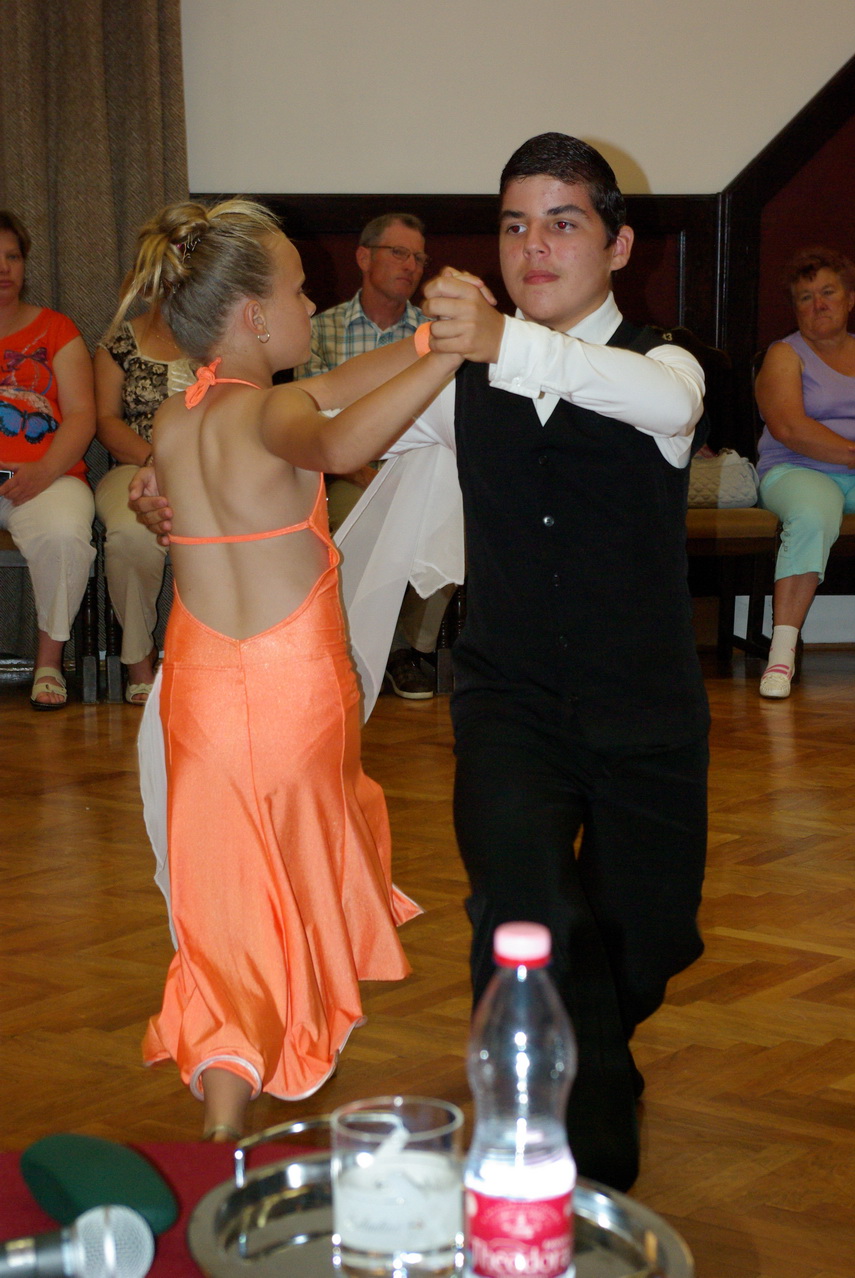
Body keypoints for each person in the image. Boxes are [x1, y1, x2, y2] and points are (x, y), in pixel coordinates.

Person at [131, 134, 709, 1189]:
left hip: (646, 711)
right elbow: (326, 425)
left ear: (620, 245)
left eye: (563, 223)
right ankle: (569, 1162)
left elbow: (667, 408)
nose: (534, 247)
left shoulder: (663, 364)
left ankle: (592, 1049)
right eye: (514, 225)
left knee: (646, 940)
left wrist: (494, 343)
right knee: (524, 911)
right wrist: (179, 480)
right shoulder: (460, 383)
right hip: (509, 705)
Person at [118, 198, 463, 1140]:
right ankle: (289, 1036)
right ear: (254, 317)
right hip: (290, 691)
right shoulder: (277, 411)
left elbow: (340, 382)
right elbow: (341, 438)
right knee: (299, 876)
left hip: (198, 689)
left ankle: (225, 1103)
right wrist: (444, 360)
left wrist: (430, 336)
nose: (314, 303)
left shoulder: (178, 419)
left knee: (229, 895)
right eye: (301, 291)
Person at [294, 213, 451, 700]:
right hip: (342, 472)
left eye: (419, 257)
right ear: (364, 257)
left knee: (450, 527)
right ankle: (349, 649)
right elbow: (315, 419)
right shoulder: (319, 331)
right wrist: (362, 472)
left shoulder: (436, 334)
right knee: (353, 525)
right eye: (399, 253)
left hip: (417, 470)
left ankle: (410, 650)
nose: (411, 266)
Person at [0, 210, 96, 709]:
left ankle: (48, 663)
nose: (4, 268)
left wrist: (44, 470)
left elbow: (82, 415)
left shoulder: (57, 329)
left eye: (12, 256)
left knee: (63, 536)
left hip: (48, 477)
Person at [755, 246, 855, 699]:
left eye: (828, 292)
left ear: (850, 298)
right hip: (797, 469)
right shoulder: (784, 354)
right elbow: (789, 428)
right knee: (813, 515)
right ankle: (781, 656)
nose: (819, 304)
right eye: (805, 297)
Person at [94, 297, 194, 704]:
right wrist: (155, 462)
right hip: (136, 465)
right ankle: (139, 660)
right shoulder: (117, 344)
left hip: (209, 467)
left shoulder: (222, 336)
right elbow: (106, 420)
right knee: (130, 536)